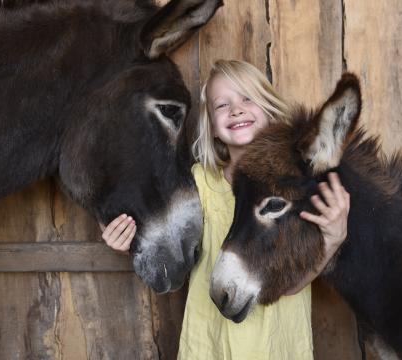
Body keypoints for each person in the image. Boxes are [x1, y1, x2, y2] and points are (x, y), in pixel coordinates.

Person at [100, 60, 350, 359]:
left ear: (270, 112)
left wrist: (333, 238)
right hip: (211, 345)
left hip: (277, 346)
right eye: (222, 105)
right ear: (213, 129)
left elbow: (293, 285)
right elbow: (149, 223)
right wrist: (123, 234)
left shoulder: (294, 190)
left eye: (248, 99)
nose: (236, 109)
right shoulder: (198, 185)